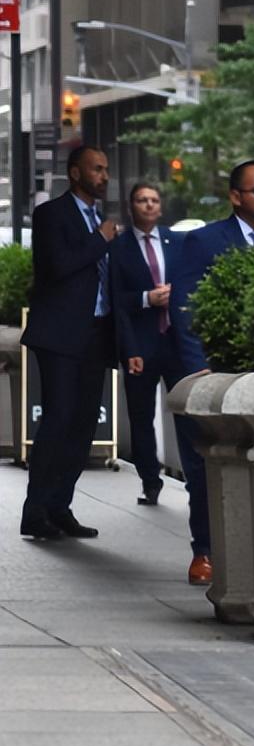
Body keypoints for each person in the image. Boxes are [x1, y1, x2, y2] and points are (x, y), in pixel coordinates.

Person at [109, 180, 213, 584]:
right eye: (142, 200)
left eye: (154, 200)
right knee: (140, 413)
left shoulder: (177, 242)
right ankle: (150, 477)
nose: (149, 205)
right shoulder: (118, 247)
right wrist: (145, 300)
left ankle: (189, 476)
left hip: (176, 343)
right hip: (141, 344)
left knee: (186, 417)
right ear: (132, 206)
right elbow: (117, 301)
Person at [19, 146, 119, 541]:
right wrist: (99, 240)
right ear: (75, 173)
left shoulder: (101, 220)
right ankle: (35, 511)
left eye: (106, 169)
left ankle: (60, 507)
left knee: (82, 425)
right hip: (60, 334)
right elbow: (57, 266)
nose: (105, 176)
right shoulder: (51, 215)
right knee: (58, 419)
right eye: (97, 169)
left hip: (96, 335)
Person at [172, 160, 254, 377]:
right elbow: (185, 306)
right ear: (235, 197)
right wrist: (199, 367)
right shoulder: (205, 241)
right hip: (225, 368)